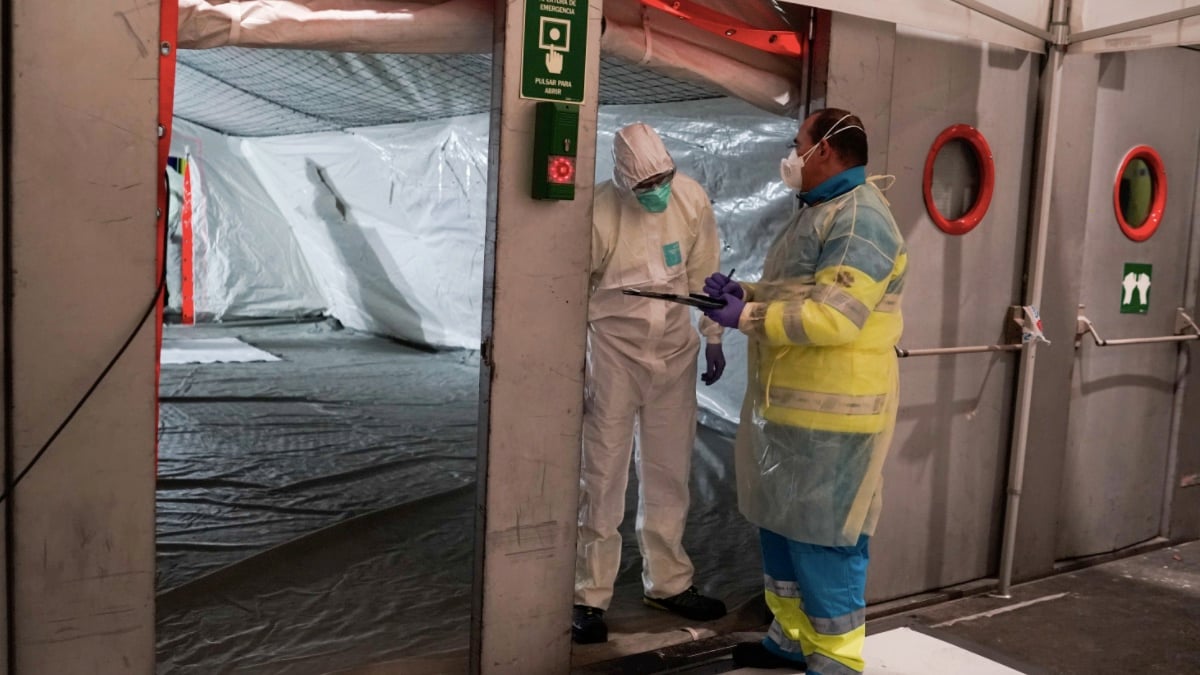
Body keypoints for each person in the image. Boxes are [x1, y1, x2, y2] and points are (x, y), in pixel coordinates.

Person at [702, 109, 907, 673]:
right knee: (784, 534)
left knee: (824, 545)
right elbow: (800, 292)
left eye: (798, 145)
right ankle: (790, 641)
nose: (791, 156)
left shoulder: (862, 221)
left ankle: (836, 660)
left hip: (836, 421)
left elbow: (835, 319)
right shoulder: (820, 212)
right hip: (791, 414)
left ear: (827, 152)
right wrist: (746, 291)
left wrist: (747, 316)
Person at [572, 123, 728, 644]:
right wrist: (574, 365)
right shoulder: (597, 213)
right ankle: (587, 595)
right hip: (614, 352)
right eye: (646, 185)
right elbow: (572, 292)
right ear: (622, 181)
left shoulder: (689, 199)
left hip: (674, 352)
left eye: (664, 176)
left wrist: (712, 338)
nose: (657, 188)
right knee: (602, 475)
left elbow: (707, 274)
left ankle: (668, 583)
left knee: (669, 471)